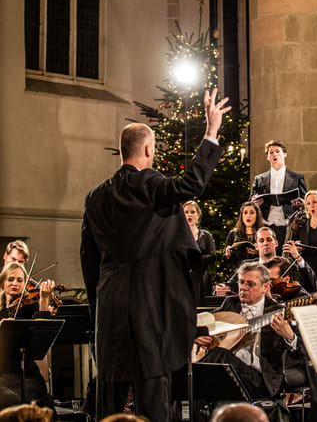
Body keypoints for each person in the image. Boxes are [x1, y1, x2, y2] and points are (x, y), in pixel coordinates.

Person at [80, 88, 230, 421]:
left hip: (110, 309)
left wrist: (98, 308)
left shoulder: (95, 197)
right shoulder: (150, 185)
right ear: (149, 149)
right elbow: (192, 184)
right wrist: (210, 131)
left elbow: (88, 260)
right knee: (152, 400)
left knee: (112, 399)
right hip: (149, 310)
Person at [195, 262, 302, 422]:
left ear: (265, 287)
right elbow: (206, 323)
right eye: (241, 282)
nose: (243, 288)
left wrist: (289, 337)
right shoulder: (230, 304)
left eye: (250, 284)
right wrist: (199, 335)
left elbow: (299, 354)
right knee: (208, 374)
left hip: (259, 379)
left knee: (218, 357)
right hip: (228, 376)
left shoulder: (278, 311)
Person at [0, 262, 56, 410]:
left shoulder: (29, 308)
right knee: (14, 400)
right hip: (4, 375)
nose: (15, 283)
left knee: (45, 403)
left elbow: (43, 333)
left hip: (29, 374)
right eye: (10, 279)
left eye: (20, 280)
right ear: (3, 282)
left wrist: (44, 299)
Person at [219, 227, 317, 295]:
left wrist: (298, 258)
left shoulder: (288, 264)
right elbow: (231, 285)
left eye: (269, 240)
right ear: (256, 246)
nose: (265, 243)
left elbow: (312, 285)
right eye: (261, 241)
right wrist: (223, 287)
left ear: (276, 243)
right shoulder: (247, 265)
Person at [251, 140, 307, 250]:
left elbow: (305, 202)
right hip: (266, 224)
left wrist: (298, 202)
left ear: (284, 154)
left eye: (277, 151)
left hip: (288, 224)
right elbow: (251, 201)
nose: (274, 154)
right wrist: (254, 202)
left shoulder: (297, 177)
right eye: (270, 152)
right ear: (267, 157)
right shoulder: (259, 179)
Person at [184, 201, 217, 305]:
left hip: (201, 278)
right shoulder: (177, 236)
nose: (189, 215)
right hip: (183, 277)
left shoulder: (205, 235)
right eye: (186, 212)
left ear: (198, 215)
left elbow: (213, 256)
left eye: (193, 212)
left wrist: (195, 259)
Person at [224, 201, 264, 268]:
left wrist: (258, 253)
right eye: (245, 213)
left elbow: (272, 257)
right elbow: (225, 262)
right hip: (237, 273)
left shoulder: (262, 234)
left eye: (252, 213)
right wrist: (227, 255)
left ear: (257, 215)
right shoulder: (233, 234)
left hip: (258, 272)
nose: (248, 216)